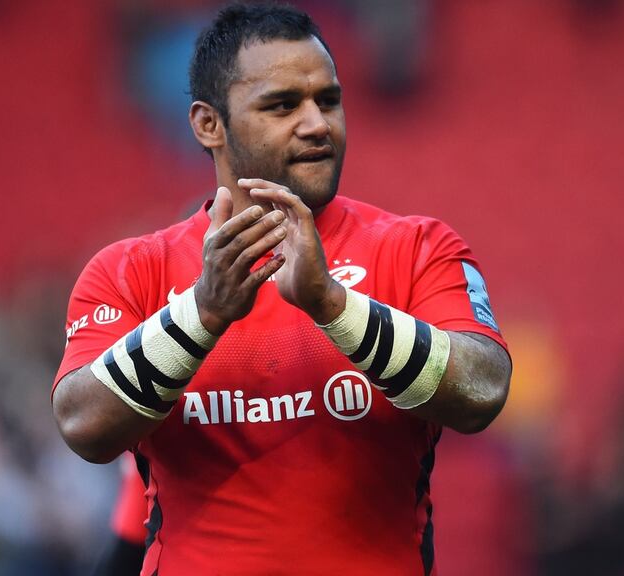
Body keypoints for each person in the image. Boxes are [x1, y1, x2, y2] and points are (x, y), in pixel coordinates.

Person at [52, 3, 511, 574]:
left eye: (329, 100)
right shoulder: (130, 270)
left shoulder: (418, 247)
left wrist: (334, 306)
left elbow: (484, 389)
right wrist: (202, 314)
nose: (318, 123)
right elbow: (83, 426)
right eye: (283, 105)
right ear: (207, 124)